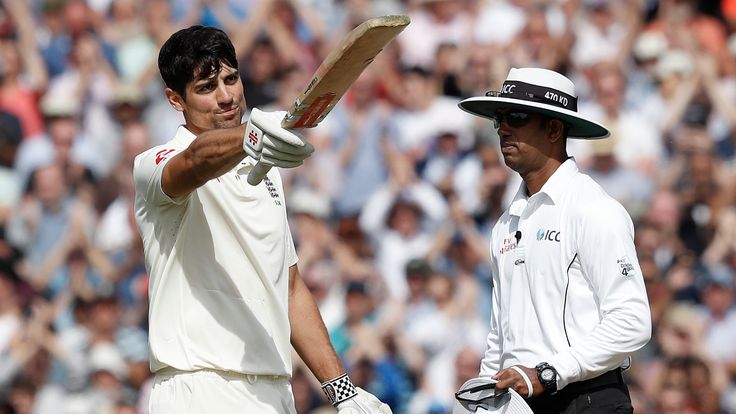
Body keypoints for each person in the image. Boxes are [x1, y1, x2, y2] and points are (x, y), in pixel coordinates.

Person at [132, 25, 391, 414]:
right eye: (206, 88)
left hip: (273, 391)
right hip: (199, 388)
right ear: (175, 99)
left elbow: (288, 286)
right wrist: (250, 135)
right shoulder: (155, 165)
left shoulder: (266, 169)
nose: (226, 97)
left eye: (231, 79)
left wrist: (342, 390)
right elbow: (197, 160)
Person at [454, 67, 652, 413]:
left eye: (515, 116)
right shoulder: (505, 222)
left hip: (588, 401)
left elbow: (632, 323)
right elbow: (500, 336)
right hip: (523, 402)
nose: (502, 128)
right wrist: (484, 402)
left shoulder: (594, 209)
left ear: (554, 128)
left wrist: (548, 374)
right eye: (499, 118)